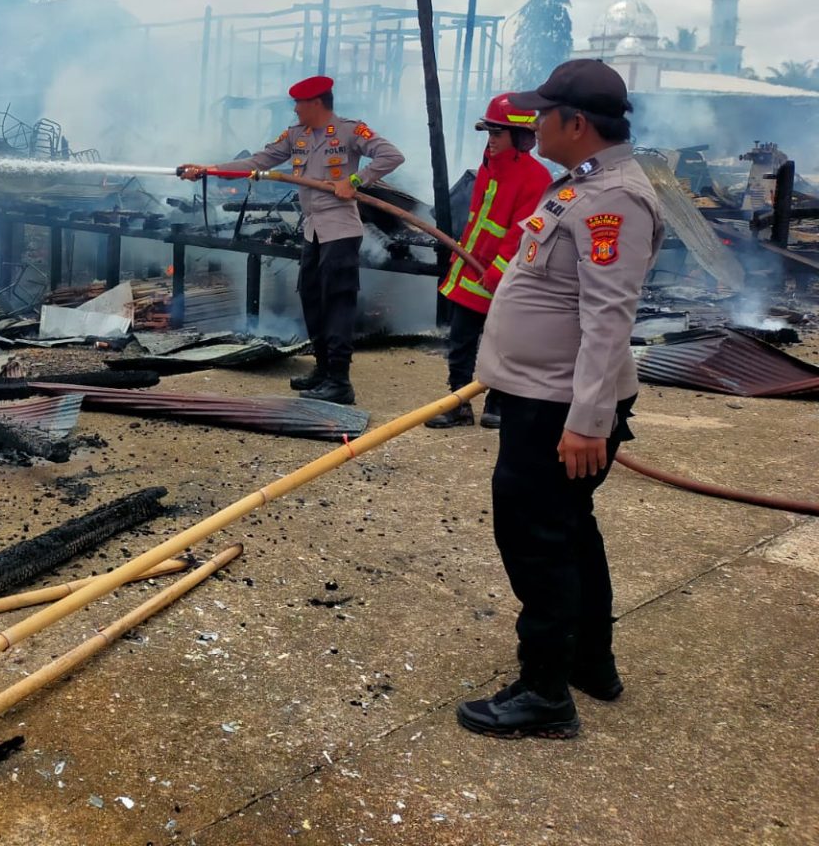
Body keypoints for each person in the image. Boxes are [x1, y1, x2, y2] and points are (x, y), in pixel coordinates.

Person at [455, 59, 664, 740]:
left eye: (541, 114)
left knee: (538, 542)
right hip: (543, 396)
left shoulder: (616, 200)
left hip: (558, 408)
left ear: (576, 124)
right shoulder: (584, 185)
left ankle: (544, 692)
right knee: (571, 533)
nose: (530, 123)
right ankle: (587, 663)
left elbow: (610, 320)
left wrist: (586, 423)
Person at [178, 75, 404, 405]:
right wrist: (209, 169)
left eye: (299, 103)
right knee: (312, 299)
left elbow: (391, 156)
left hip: (341, 229)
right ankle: (323, 370)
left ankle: (340, 382)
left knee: (337, 302)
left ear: (316, 103)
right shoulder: (296, 135)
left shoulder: (350, 131)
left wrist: (355, 180)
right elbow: (258, 161)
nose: (295, 109)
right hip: (312, 229)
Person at [426, 94, 552, 430]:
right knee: (461, 341)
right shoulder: (487, 167)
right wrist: (461, 255)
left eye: (497, 134)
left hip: (504, 277)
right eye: (489, 134)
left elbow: (521, 232)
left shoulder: (537, 178)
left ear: (519, 138)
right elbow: (478, 219)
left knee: (503, 344)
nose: (491, 141)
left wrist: (498, 270)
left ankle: (496, 402)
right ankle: (458, 403)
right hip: (472, 270)